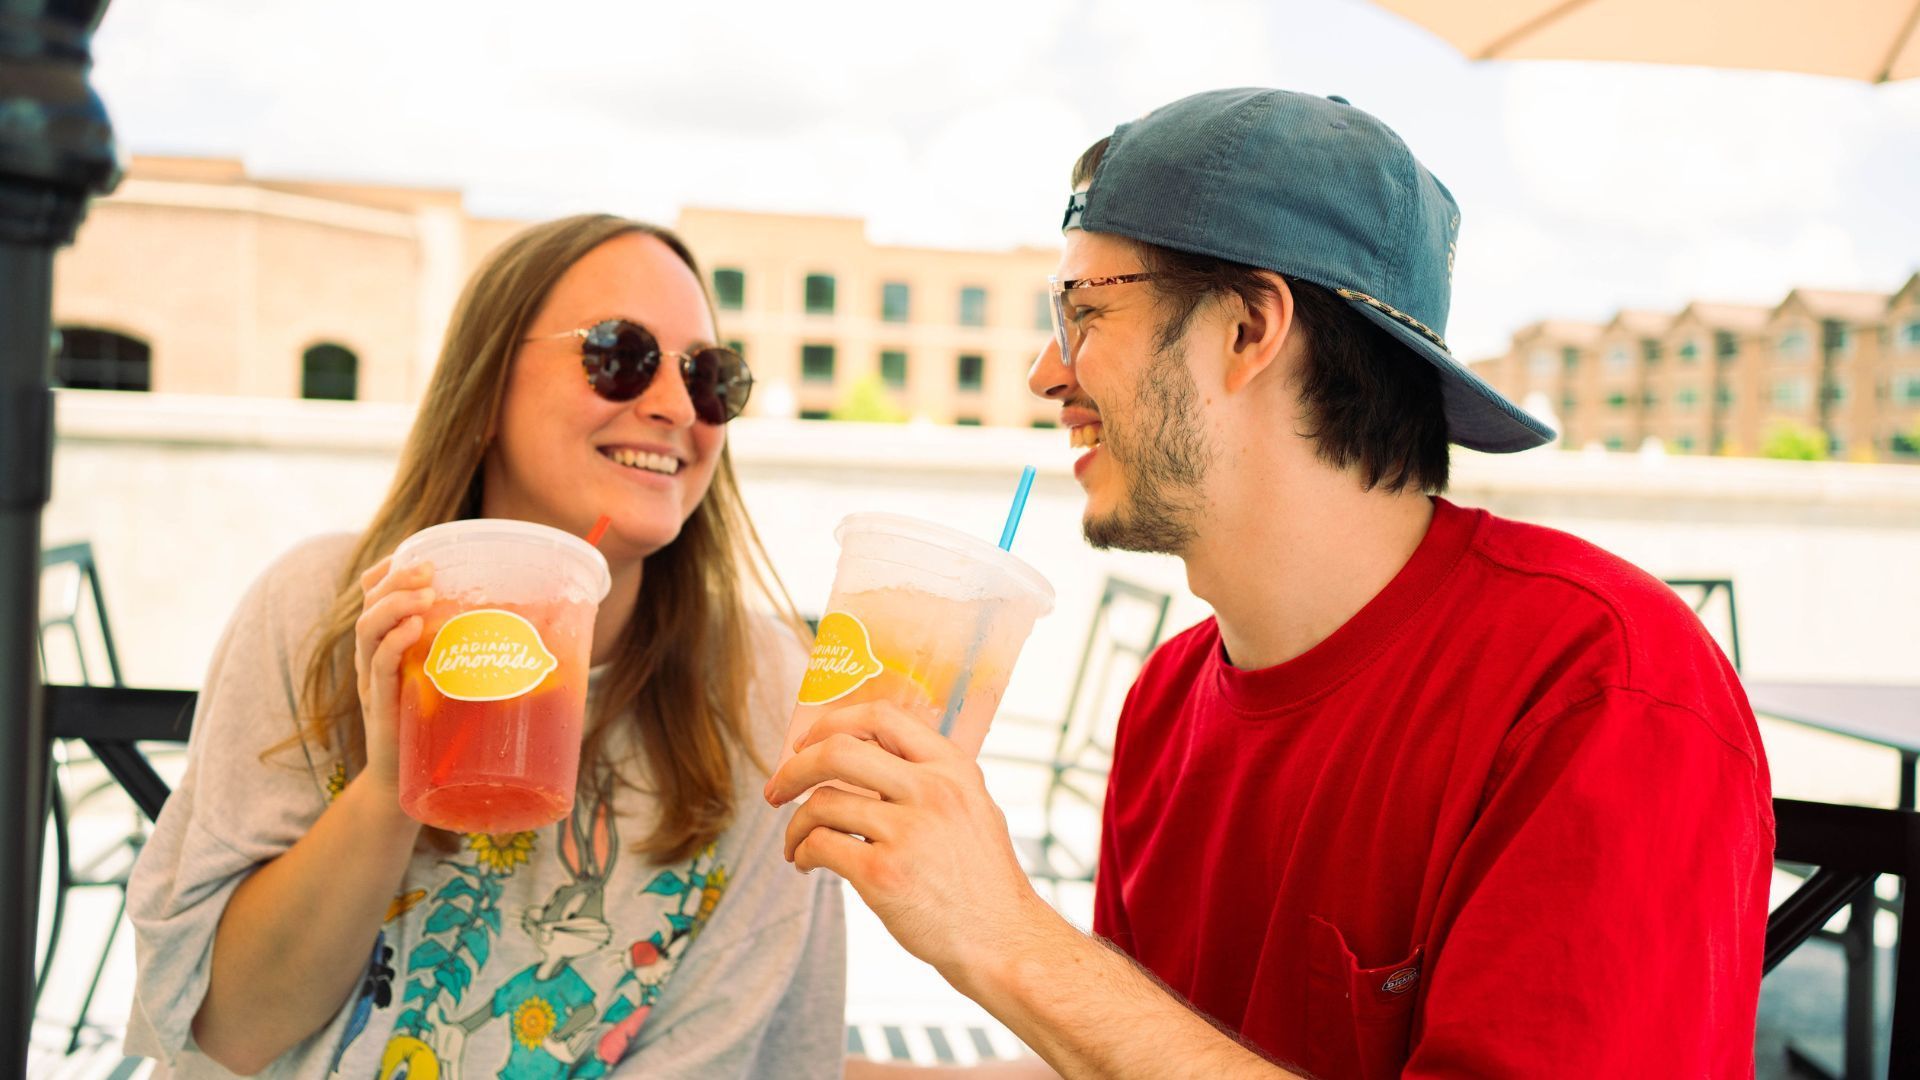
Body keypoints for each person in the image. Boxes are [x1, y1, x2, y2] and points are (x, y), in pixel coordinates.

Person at [769, 88, 1772, 1078]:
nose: (1044, 372)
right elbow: (1135, 1058)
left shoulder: (1601, 688)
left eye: (1080, 311)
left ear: (1248, 330)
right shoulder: (1167, 700)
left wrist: (1008, 937)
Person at [127, 214, 845, 1079]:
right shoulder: (323, 609)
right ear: (485, 388)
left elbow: (730, 1051)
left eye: (709, 377)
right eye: (619, 355)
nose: (671, 407)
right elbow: (229, 1029)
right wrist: (394, 785)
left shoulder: (764, 691)